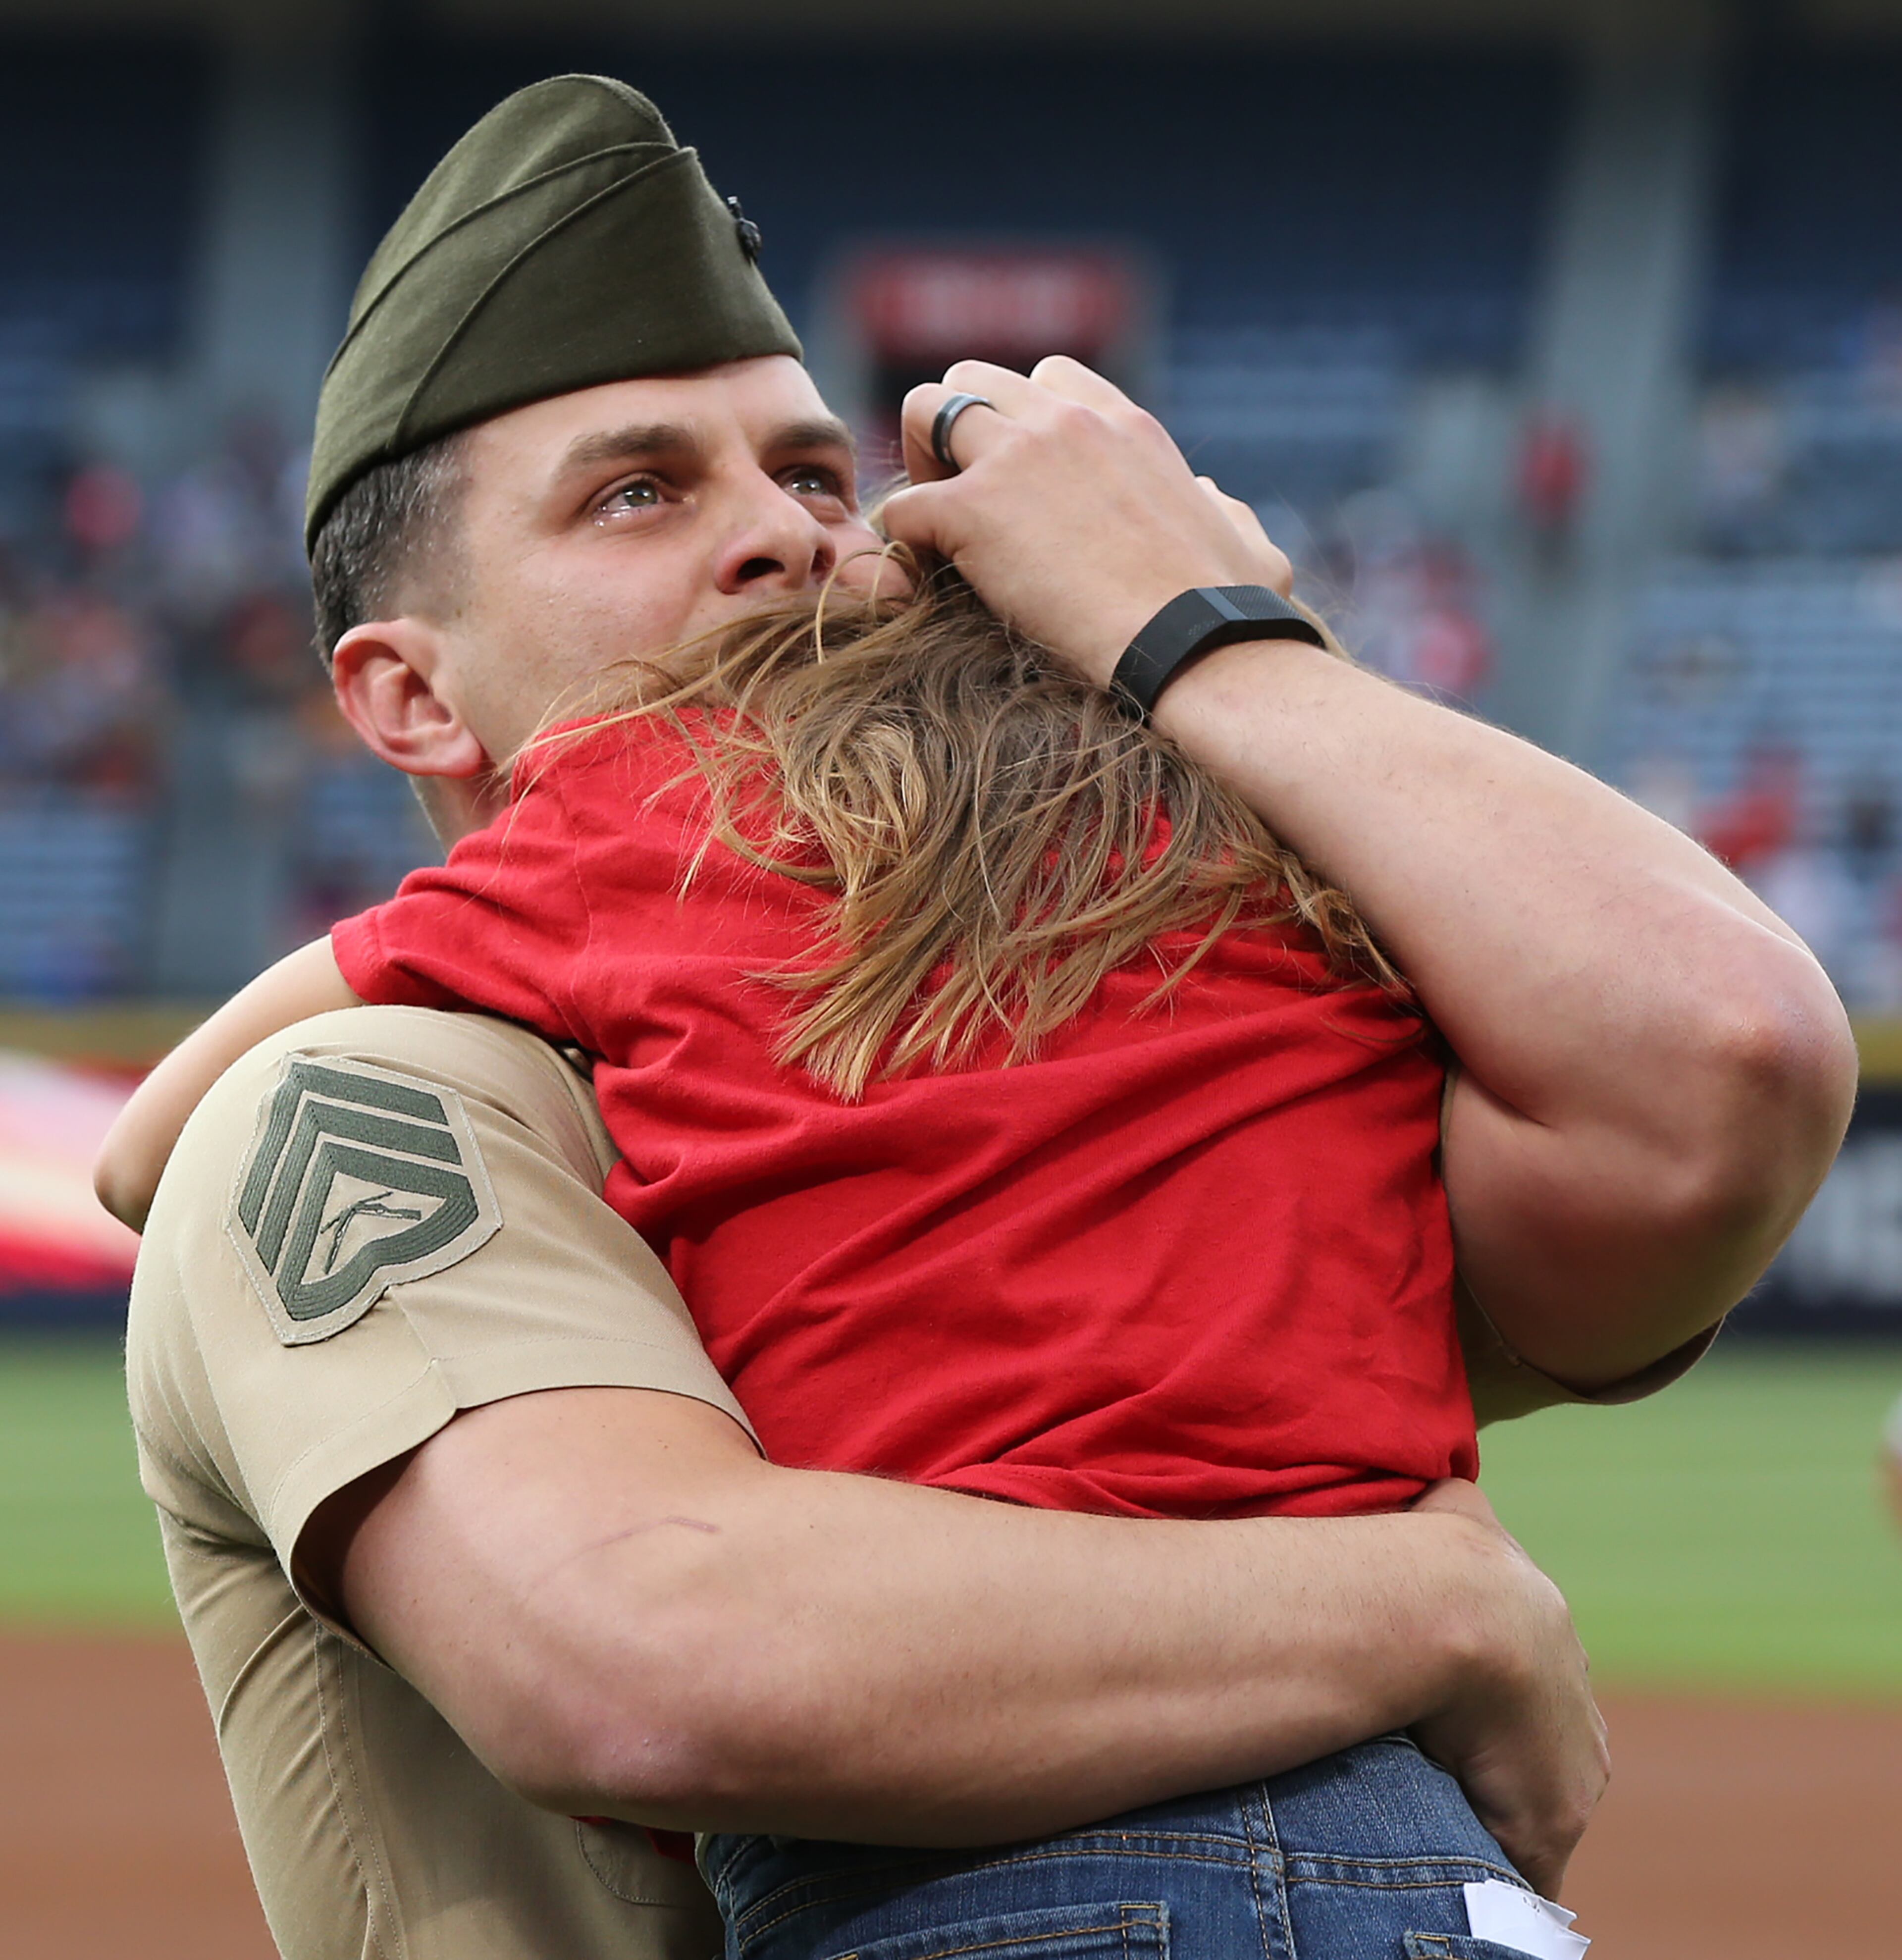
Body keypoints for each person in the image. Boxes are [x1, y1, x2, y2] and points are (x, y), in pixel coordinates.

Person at [105, 76, 1855, 1960]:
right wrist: (1432, 1605)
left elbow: (1713, 1076)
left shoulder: (1112, 919)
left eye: (812, 475)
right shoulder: (391, 1071)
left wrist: (1197, 640)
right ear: (407, 700)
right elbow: (647, 1648)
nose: (783, 539)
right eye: (637, 490)